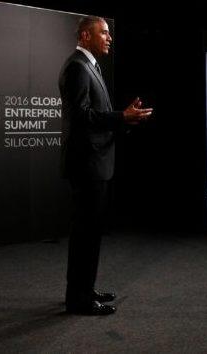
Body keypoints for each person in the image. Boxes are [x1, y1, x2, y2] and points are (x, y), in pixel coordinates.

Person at [59, 16, 152, 315]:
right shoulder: (76, 67)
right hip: (87, 165)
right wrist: (121, 117)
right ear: (86, 36)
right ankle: (79, 299)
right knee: (85, 233)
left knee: (91, 232)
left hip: (96, 163)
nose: (110, 37)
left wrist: (124, 118)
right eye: (104, 32)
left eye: (109, 33)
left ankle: (84, 290)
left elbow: (95, 114)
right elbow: (81, 117)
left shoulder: (89, 66)